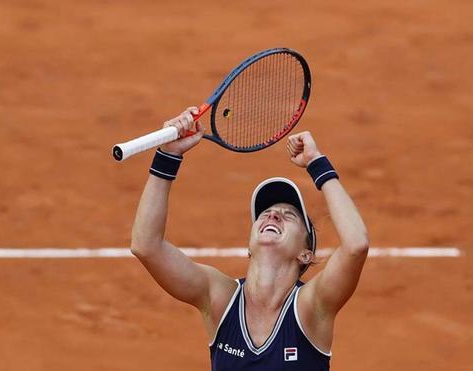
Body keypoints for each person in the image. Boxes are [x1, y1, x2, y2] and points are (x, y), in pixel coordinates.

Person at [131, 107, 369, 371]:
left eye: (289, 215)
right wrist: (168, 155)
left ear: (305, 254)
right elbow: (146, 246)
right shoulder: (220, 297)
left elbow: (355, 245)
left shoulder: (311, 306)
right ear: (248, 246)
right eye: (265, 213)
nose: (273, 216)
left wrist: (317, 163)